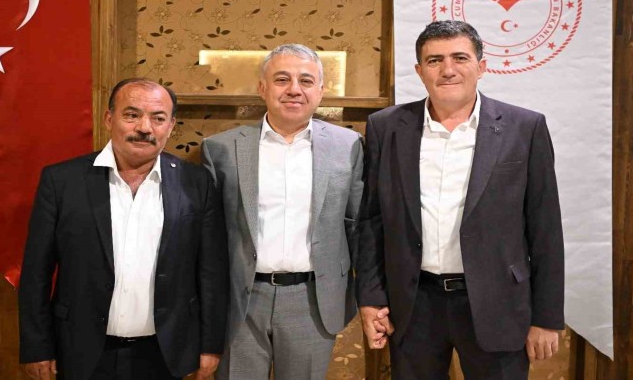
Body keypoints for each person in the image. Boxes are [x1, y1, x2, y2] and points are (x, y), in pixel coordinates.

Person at [356, 20, 565, 379]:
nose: (448, 69)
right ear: (419, 71)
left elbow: (545, 227)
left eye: (460, 58)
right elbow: (372, 220)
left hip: (498, 304)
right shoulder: (385, 126)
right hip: (414, 304)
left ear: (481, 67)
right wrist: (372, 297)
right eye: (434, 60)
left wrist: (546, 318)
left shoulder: (524, 128)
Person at [18, 79, 229, 380]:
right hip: (80, 350)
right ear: (109, 119)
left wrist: (210, 345)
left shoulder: (196, 183)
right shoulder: (61, 181)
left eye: (158, 118)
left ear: (171, 126)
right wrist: (37, 346)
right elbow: (36, 272)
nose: (144, 127)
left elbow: (211, 273)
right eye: (132, 115)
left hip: (166, 353)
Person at [201, 44, 363, 380]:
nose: (294, 89)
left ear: (321, 90)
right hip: (241, 300)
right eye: (282, 79)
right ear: (262, 88)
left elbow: (358, 226)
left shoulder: (349, 146)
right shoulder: (220, 149)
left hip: (313, 301)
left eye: (306, 80)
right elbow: (207, 238)